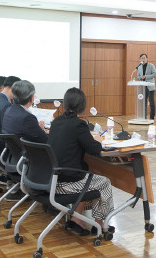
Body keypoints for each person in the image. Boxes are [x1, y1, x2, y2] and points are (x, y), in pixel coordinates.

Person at [48, 88, 114, 235]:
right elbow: (94, 149)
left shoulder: (57, 122)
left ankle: (76, 220)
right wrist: (96, 140)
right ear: (82, 106)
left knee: (90, 179)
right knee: (104, 182)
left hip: (52, 179)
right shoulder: (79, 125)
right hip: (67, 182)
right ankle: (102, 225)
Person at [136, 53, 156, 120]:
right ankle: (144, 117)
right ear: (140, 59)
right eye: (141, 58)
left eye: (144, 58)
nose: (143, 59)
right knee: (143, 103)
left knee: (151, 102)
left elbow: (155, 74)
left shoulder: (151, 66)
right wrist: (140, 77)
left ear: (147, 59)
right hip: (143, 87)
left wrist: (146, 76)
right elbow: (137, 76)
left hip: (150, 87)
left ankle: (152, 117)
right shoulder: (139, 67)